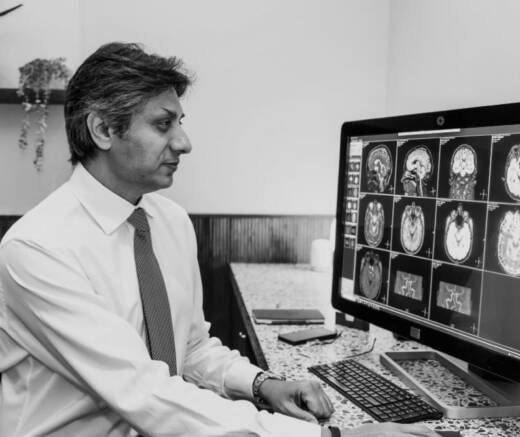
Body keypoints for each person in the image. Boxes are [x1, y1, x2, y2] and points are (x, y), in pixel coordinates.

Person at [0, 42, 439, 437]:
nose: (184, 142)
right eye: (163, 124)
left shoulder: (169, 222)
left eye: (179, 123)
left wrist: (264, 385)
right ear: (102, 130)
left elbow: (188, 348)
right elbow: (142, 390)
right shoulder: (37, 249)